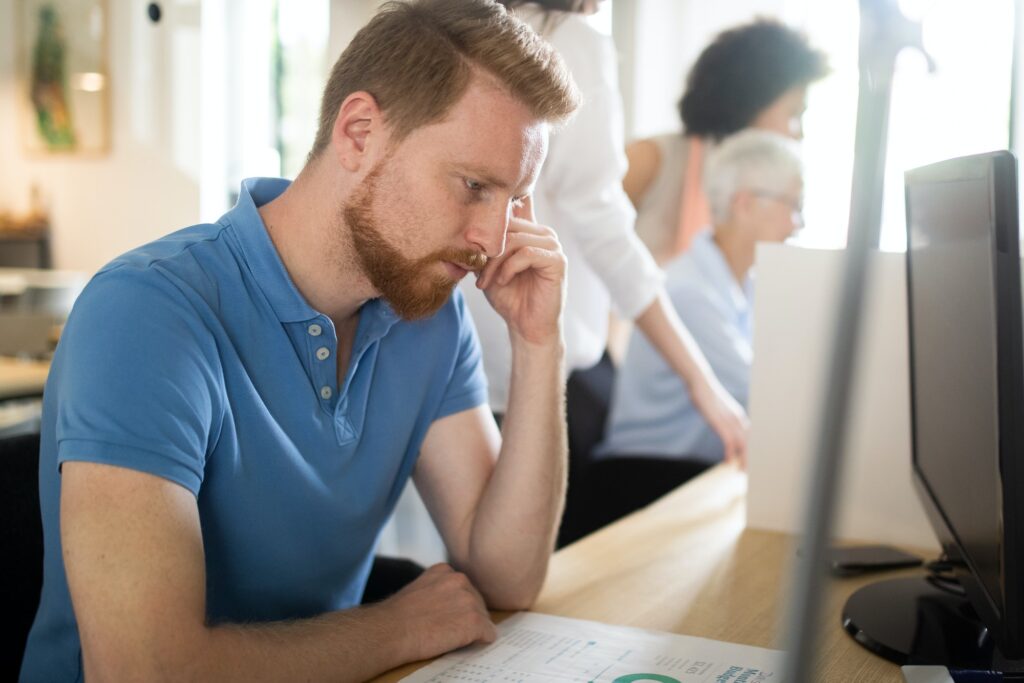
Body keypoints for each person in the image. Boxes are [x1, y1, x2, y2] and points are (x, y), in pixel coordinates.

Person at [20, 1, 580, 680]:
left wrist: (537, 342)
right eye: (474, 186)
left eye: (515, 198)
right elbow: (144, 670)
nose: (494, 238)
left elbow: (507, 576)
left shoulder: (427, 315)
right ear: (358, 132)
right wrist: (395, 627)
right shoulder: (146, 315)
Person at [461, 0, 750, 466]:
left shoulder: (449, 26)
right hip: (528, 351)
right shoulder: (570, 41)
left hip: (454, 351)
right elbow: (603, 224)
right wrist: (701, 381)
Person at [596, 129, 803, 493]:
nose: (798, 224)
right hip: (640, 480)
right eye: (793, 206)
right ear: (746, 204)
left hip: (689, 472)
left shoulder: (745, 285)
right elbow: (761, 395)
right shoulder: (690, 291)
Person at [624, 18, 827, 264]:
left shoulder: (760, 194)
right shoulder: (651, 159)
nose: (799, 134)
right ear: (751, 100)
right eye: (794, 114)